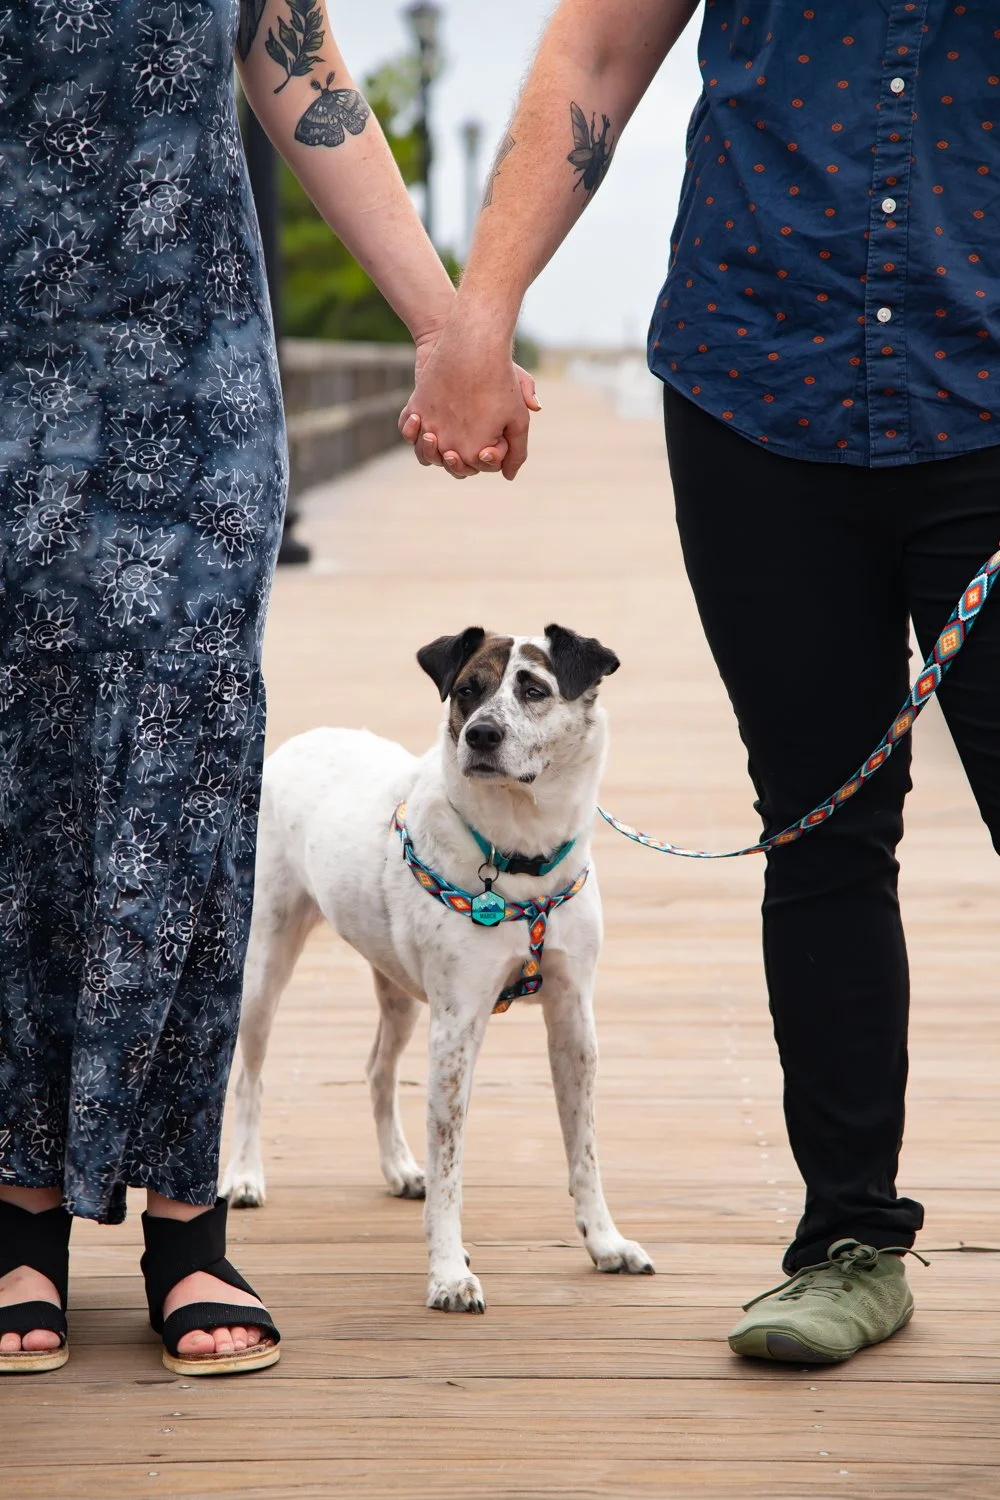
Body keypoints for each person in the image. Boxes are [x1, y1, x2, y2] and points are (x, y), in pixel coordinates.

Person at [400, 0, 1000, 1364]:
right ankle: (850, 1242)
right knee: (824, 825)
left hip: (988, 386)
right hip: (758, 389)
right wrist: (479, 314)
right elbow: (598, 53)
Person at [0, 0, 535, 1377]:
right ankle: (19, 1206)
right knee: (24, 774)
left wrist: (447, 325)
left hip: (194, 387)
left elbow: (298, 68)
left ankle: (185, 1212)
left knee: (183, 768)